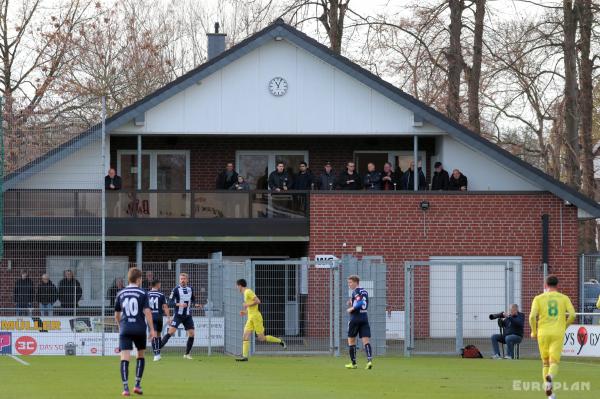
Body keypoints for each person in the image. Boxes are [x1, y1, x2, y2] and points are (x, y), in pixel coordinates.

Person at [529, 275, 576, 399]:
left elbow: (532, 317)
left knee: (545, 363)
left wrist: (534, 331)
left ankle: (549, 394)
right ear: (557, 285)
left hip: (542, 333)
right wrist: (564, 326)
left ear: (545, 285)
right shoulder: (564, 298)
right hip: (557, 333)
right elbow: (572, 315)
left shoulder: (538, 298)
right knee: (554, 361)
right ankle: (550, 376)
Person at [114, 267, 156, 397]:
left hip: (125, 328)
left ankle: (125, 388)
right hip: (139, 328)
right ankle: (137, 385)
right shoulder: (143, 293)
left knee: (124, 357)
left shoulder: (120, 293)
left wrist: (120, 326)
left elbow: (116, 314)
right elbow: (147, 312)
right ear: (138, 279)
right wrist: (152, 330)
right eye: (141, 278)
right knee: (140, 355)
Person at [235, 279, 286, 361]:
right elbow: (251, 306)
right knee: (245, 336)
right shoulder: (245, 293)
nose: (236, 287)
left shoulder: (248, 291)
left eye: (236, 286)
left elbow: (258, 301)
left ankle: (280, 341)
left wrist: (246, 304)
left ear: (240, 285)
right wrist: (245, 312)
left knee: (261, 338)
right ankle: (244, 357)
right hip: (250, 317)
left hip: (256, 317)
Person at [159, 273, 202, 359]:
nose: (182, 280)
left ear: (187, 280)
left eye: (184, 279)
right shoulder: (175, 289)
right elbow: (169, 302)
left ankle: (187, 354)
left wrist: (195, 304)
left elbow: (193, 300)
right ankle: (157, 350)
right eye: (181, 279)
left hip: (187, 316)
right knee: (170, 332)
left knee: (192, 334)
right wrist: (179, 304)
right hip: (178, 315)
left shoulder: (190, 289)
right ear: (179, 280)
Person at [345, 275, 373, 369]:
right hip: (364, 317)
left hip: (355, 318)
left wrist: (351, 308)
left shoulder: (355, 291)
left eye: (350, 282)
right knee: (366, 341)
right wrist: (351, 301)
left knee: (351, 340)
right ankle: (369, 361)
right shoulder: (364, 291)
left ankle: (353, 364)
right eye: (348, 283)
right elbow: (362, 301)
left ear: (356, 282)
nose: (349, 284)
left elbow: (360, 302)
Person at [148, 279, 170, 362]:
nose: (160, 285)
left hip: (150, 317)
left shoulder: (147, 294)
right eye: (159, 284)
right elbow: (165, 307)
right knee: (158, 335)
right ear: (157, 285)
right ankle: (158, 354)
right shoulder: (161, 294)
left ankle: (156, 354)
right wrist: (168, 317)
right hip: (159, 317)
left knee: (154, 335)